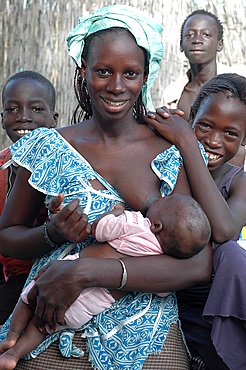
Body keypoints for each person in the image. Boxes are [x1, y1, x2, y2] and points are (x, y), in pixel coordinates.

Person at [0, 5, 212, 370]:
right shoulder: (47, 146)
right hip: (49, 318)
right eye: (103, 71)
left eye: (130, 73)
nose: (116, 86)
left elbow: (197, 264)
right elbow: (7, 235)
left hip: (148, 334)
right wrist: (52, 233)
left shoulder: (170, 150)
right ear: (83, 69)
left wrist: (85, 272)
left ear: (146, 76)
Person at [0, 193, 211, 369]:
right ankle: (14, 355)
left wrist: (116, 212)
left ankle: (12, 336)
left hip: (62, 279)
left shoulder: (137, 224)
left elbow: (100, 229)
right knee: (42, 326)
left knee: (30, 299)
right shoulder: (163, 261)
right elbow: (163, 290)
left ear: (156, 225)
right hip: (88, 308)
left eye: (163, 202)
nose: (157, 200)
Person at [146, 73, 246, 369]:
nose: (214, 141)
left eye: (230, 134)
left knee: (231, 253)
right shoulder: (166, 164)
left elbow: (225, 231)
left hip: (222, 300)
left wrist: (189, 143)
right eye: (204, 126)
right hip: (176, 293)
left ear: (244, 139)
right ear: (190, 118)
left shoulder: (239, 182)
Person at [0, 71, 58, 325]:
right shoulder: (2, 164)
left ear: (54, 118)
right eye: (12, 109)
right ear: (2, 119)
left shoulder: (62, 164)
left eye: (36, 109)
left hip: (42, 273)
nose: (23, 117)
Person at [161, 9, 246, 167]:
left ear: (220, 44)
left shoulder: (241, 89)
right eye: (190, 35)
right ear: (181, 44)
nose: (197, 40)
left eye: (206, 35)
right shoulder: (173, 95)